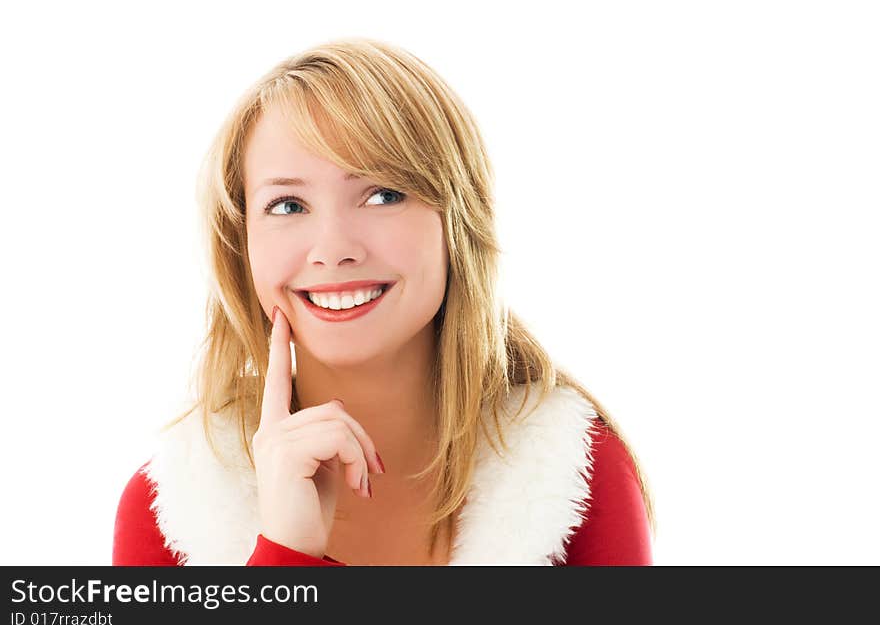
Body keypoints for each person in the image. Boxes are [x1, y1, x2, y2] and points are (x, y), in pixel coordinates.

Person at [112, 37, 655, 566]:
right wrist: (284, 555)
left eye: (383, 194)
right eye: (286, 205)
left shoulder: (577, 474)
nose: (333, 250)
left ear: (457, 222)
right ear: (241, 243)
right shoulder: (170, 513)